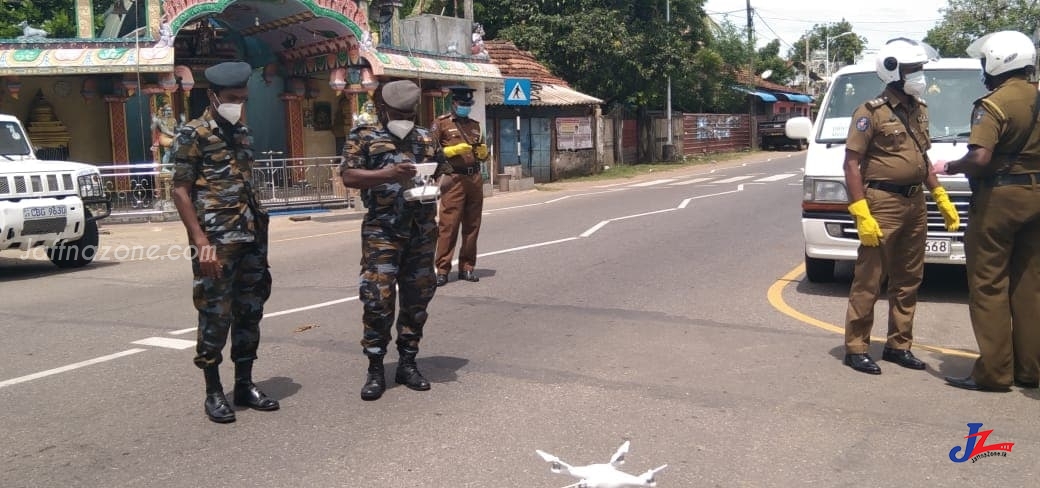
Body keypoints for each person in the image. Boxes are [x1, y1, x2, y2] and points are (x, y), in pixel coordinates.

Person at [840, 38, 960, 375]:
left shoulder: (919, 109)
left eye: (919, 68)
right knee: (870, 278)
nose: (919, 75)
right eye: (913, 69)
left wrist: (939, 195)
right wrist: (860, 211)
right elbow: (851, 165)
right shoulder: (870, 112)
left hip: (914, 202)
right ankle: (856, 347)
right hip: (882, 202)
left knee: (909, 278)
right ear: (893, 71)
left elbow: (921, 158)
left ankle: (898, 345)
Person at [170, 61, 279, 423]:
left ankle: (245, 385)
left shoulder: (243, 132)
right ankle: (214, 392)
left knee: (250, 313)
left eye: (244, 98)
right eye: (233, 98)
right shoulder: (193, 134)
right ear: (213, 96)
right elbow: (181, 191)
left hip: (250, 238)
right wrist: (200, 241)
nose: (239, 104)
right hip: (216, 241)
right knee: (215, 316)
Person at [934, 30, 1040, 392]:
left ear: (998, 60)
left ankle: (994, 373)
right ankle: (1030, 370)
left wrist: (951, 167)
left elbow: (980, 158)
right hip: (1037, 197)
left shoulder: (994, 103)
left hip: (999, 200)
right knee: (1030, 287)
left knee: (989, 285)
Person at [340, 80, 453, 401]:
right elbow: (348, 175)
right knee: (377, 297)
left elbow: (446, 171)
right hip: (382, 231)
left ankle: (407, 362)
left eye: (410, 112)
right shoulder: (364, 136)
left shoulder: (425, 137)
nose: (405, 117)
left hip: (421, 230)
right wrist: (387, 175)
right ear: (385, 109)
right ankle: (376, 366)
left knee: (418, 297)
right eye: (399, 112)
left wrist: (436, 188)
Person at [432, 85, 489, 286]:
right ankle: (442, 270)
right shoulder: (441, 124)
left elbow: (483, 151)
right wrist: (451, 151)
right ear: (453, 103)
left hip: (474, 178)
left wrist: (484, 154)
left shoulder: (476, 125)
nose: (465, 107)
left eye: (468, 104)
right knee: (449, 225)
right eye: (462, 104)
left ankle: (467, 267)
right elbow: (430, 151)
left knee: (472, 225)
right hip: (453, 179)